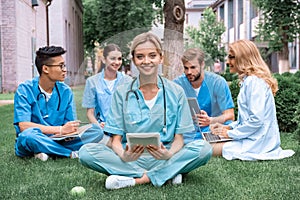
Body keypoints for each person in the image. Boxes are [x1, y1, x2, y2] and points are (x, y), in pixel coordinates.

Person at [78, 32, 212, 189]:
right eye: (140, 57)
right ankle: (168, 173)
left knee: (204, 149)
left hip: (165, 155)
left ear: (161, 58)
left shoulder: (176, 92)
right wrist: (124, 155)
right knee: (86, 152)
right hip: (131, 158)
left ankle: (138, 179)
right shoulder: (121, 93)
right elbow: (115, 140)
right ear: (134, 60)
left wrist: (168, 154)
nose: (146, 61)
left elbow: (179, 140)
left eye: (152, 55)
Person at [210, 39, 295, 160]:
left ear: (243, 58)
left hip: (257, 144)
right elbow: (247, 119)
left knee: (206, 147)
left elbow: (256, 120)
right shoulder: (249, 80)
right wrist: (229, 127)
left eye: (231, 57)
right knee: (205, 143)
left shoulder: (254, 82)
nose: (228, 62)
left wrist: (229, 134)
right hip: (253, 139)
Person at [14, 46, 102, 161]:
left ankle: (47, 152)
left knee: (96, 131)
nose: (64, 70)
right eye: (61, 66)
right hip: (34, 138)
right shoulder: (25, 90)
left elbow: (69, 125)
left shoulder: (66, 91)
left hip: (59, 139)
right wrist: (60, 129)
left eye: (64, 65)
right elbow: (24, 126)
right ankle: (69, 154)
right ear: (45, 69)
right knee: (28, 136)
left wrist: (72, 130)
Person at [173, 48, 235, 143]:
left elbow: (230, 115)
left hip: (211, 128)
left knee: (227, 126)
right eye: (186, 68)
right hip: (188, 130)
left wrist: (210, 120)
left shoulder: (217, 82)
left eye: (193, 67)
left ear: (202, 64)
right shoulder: (177, 84)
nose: (189, 72)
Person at [82, 44, 132, 128]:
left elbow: (131, 109)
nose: (117, 62)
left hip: (122, 128)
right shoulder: (92, 82)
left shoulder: (128, 81)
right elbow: (90, 113)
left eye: (119, 59)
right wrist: (98, 126)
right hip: (101, 128)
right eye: (113, 58)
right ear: (104, 60)